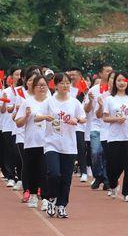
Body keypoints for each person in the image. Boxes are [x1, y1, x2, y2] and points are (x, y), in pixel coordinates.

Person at [38, 72, 86, 218]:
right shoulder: (49, 101)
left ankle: (62, 205)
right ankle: (51, 198)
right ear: (56, 85)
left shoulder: (74, 102)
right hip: (52, 143)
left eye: (67, 83)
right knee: (54, 174)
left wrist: (76, 120)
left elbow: (83, 118)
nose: (65, 85)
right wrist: (46, 117)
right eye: (62, 83)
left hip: (69, 145)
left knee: (66, 178)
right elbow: (37, 116)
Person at [15, 74, 49, 210]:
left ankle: (45, 198)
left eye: (44, 85)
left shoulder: (51, 102)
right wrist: (26, 116)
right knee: (33, 170)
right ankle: (33, 195)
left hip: (47, 142)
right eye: (39, 85)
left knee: (45, 170)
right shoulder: (27, 102)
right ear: (33, 87)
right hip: (31, 141)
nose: (42, 88)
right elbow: (18, 123)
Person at [103, 72, 128, 202]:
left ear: (127, 82)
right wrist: (116, 119)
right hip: (114, 137)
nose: (121, 82)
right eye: (119, 80)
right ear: (115, 83)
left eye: (124, 80)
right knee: (113, 165)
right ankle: (113, 184)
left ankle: (127, 192)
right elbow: (105, 118)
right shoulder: (109, 99)